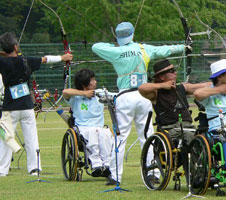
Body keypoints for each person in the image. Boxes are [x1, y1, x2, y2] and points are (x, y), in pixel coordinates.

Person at [92, 22, 191, 185]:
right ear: (132, 34)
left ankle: (115, 176)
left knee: (120, 137)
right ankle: (153, 173)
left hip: (125, 97)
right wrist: (183, 47)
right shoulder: (143, 48)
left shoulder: (115, 51)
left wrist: (114, 44)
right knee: (146, 136)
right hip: (143, 96)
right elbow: (165, 50)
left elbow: (96, 47)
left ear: (118, 36)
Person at [0, 32, 73, 176]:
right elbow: (46, 59)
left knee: (6, 138)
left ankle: (2, 170)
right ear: (16, 47)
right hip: (27, 106)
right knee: (31, 137)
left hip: (10, 107)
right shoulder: (27, 61)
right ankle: (35, 168)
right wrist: (63, 57)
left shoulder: (2, 62)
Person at [138, 59, 210, 181]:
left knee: (208, 136)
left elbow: (201, 86)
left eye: (174, 70)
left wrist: (219, 83)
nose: (175, 73)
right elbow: (141, 88)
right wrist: (162, 86)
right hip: (170, 130)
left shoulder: (181, 88)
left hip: (188, 127)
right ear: (161, 77)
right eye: (171, 71)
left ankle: (206, 172)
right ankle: (196, 175)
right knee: (189, 136)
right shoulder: (156, 93)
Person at [62, 68, 114, 179]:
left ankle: (107, 164)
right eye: (92, 80)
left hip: (99, 127)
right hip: (83, 129)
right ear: (84, 83)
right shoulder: (75, 97)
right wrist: (84, 93)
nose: (95, 82)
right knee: (92, 132)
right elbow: (65, 92)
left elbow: (115, 96)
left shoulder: (99, 93)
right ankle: (96, 164)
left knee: (105, 133)